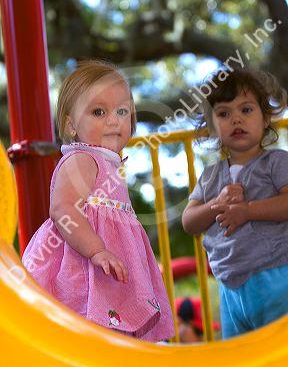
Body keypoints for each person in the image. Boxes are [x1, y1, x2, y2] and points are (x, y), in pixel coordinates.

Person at [22, 60, 174, 342]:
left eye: (122, 111)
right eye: (98, 111)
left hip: (108, 273)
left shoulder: (109, 165)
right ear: (71, 124)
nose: (113, 120)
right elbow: (63, 209)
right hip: (85, 267)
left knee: (113, 336)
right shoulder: (83, 158)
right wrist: (96, 251)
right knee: (91, 333)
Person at [182, 68, 288, 339]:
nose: (236, 119)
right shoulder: (209, 176)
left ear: (265, 118)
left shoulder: (275, 161)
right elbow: (189, 221)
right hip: (229, 287)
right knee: (240, 355)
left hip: (274, 276)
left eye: (246, 110)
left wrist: (248, 211)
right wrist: (215, 203)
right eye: (224, 113)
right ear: (213, 125)